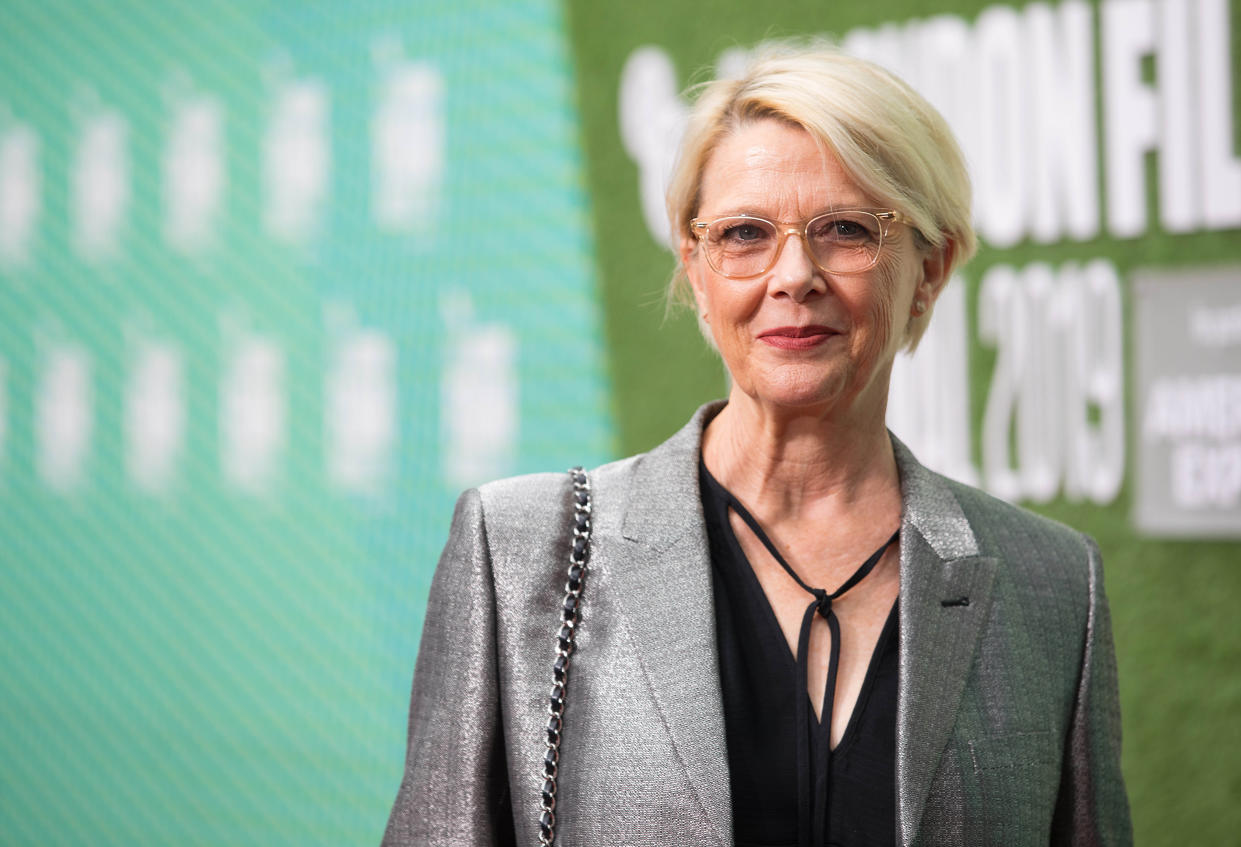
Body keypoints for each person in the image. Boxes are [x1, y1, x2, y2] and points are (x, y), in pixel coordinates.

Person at [383, 43, 1132, 847]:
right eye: (744, 233)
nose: (793, 274)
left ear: (930, 268)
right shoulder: (521, 548)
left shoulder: (1052, 585)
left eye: (845, 229)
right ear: (696, 269)